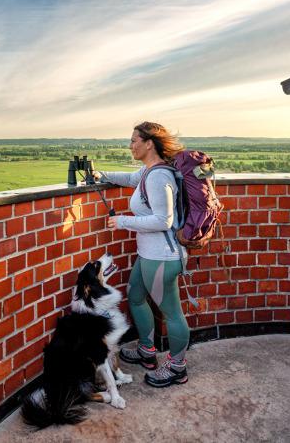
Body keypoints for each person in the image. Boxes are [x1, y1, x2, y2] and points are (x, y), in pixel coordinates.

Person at [95, 121, 190, 388]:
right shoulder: (149, 171)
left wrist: (123, 221)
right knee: (135, 296)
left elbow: (163, 219)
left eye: (135, 140)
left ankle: (177, 368)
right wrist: (101, 174)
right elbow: (129, 179)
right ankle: (148, 351)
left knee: (172, 312)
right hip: (148, 254)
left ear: (149, 143)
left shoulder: (159, 176)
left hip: (163, 256)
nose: (131, 145)